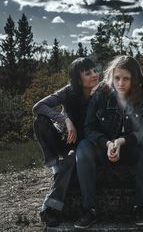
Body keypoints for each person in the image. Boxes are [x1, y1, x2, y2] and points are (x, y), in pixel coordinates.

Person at [75, 55, 143, 229]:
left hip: (130, 150)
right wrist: (107, 143)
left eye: (126, 79)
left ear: (134, 79)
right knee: (83, 147)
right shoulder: (100, 95)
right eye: (117, 78)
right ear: (111, 76)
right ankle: (89, 210)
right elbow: (89, 129)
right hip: (103, 149)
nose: (120, 83)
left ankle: (140, 207)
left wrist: (121, 141)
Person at [32, 57, 99, 227]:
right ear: (77, 79)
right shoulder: (68, 92)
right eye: (88, 73)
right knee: (40, 120)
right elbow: (38, 107)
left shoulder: (101, 92)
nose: (94, 75)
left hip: (85, 144)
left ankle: (49, 208)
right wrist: (64, 120)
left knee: (70, 160)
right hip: (64, 139)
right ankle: (55, 166)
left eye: (95, 71)